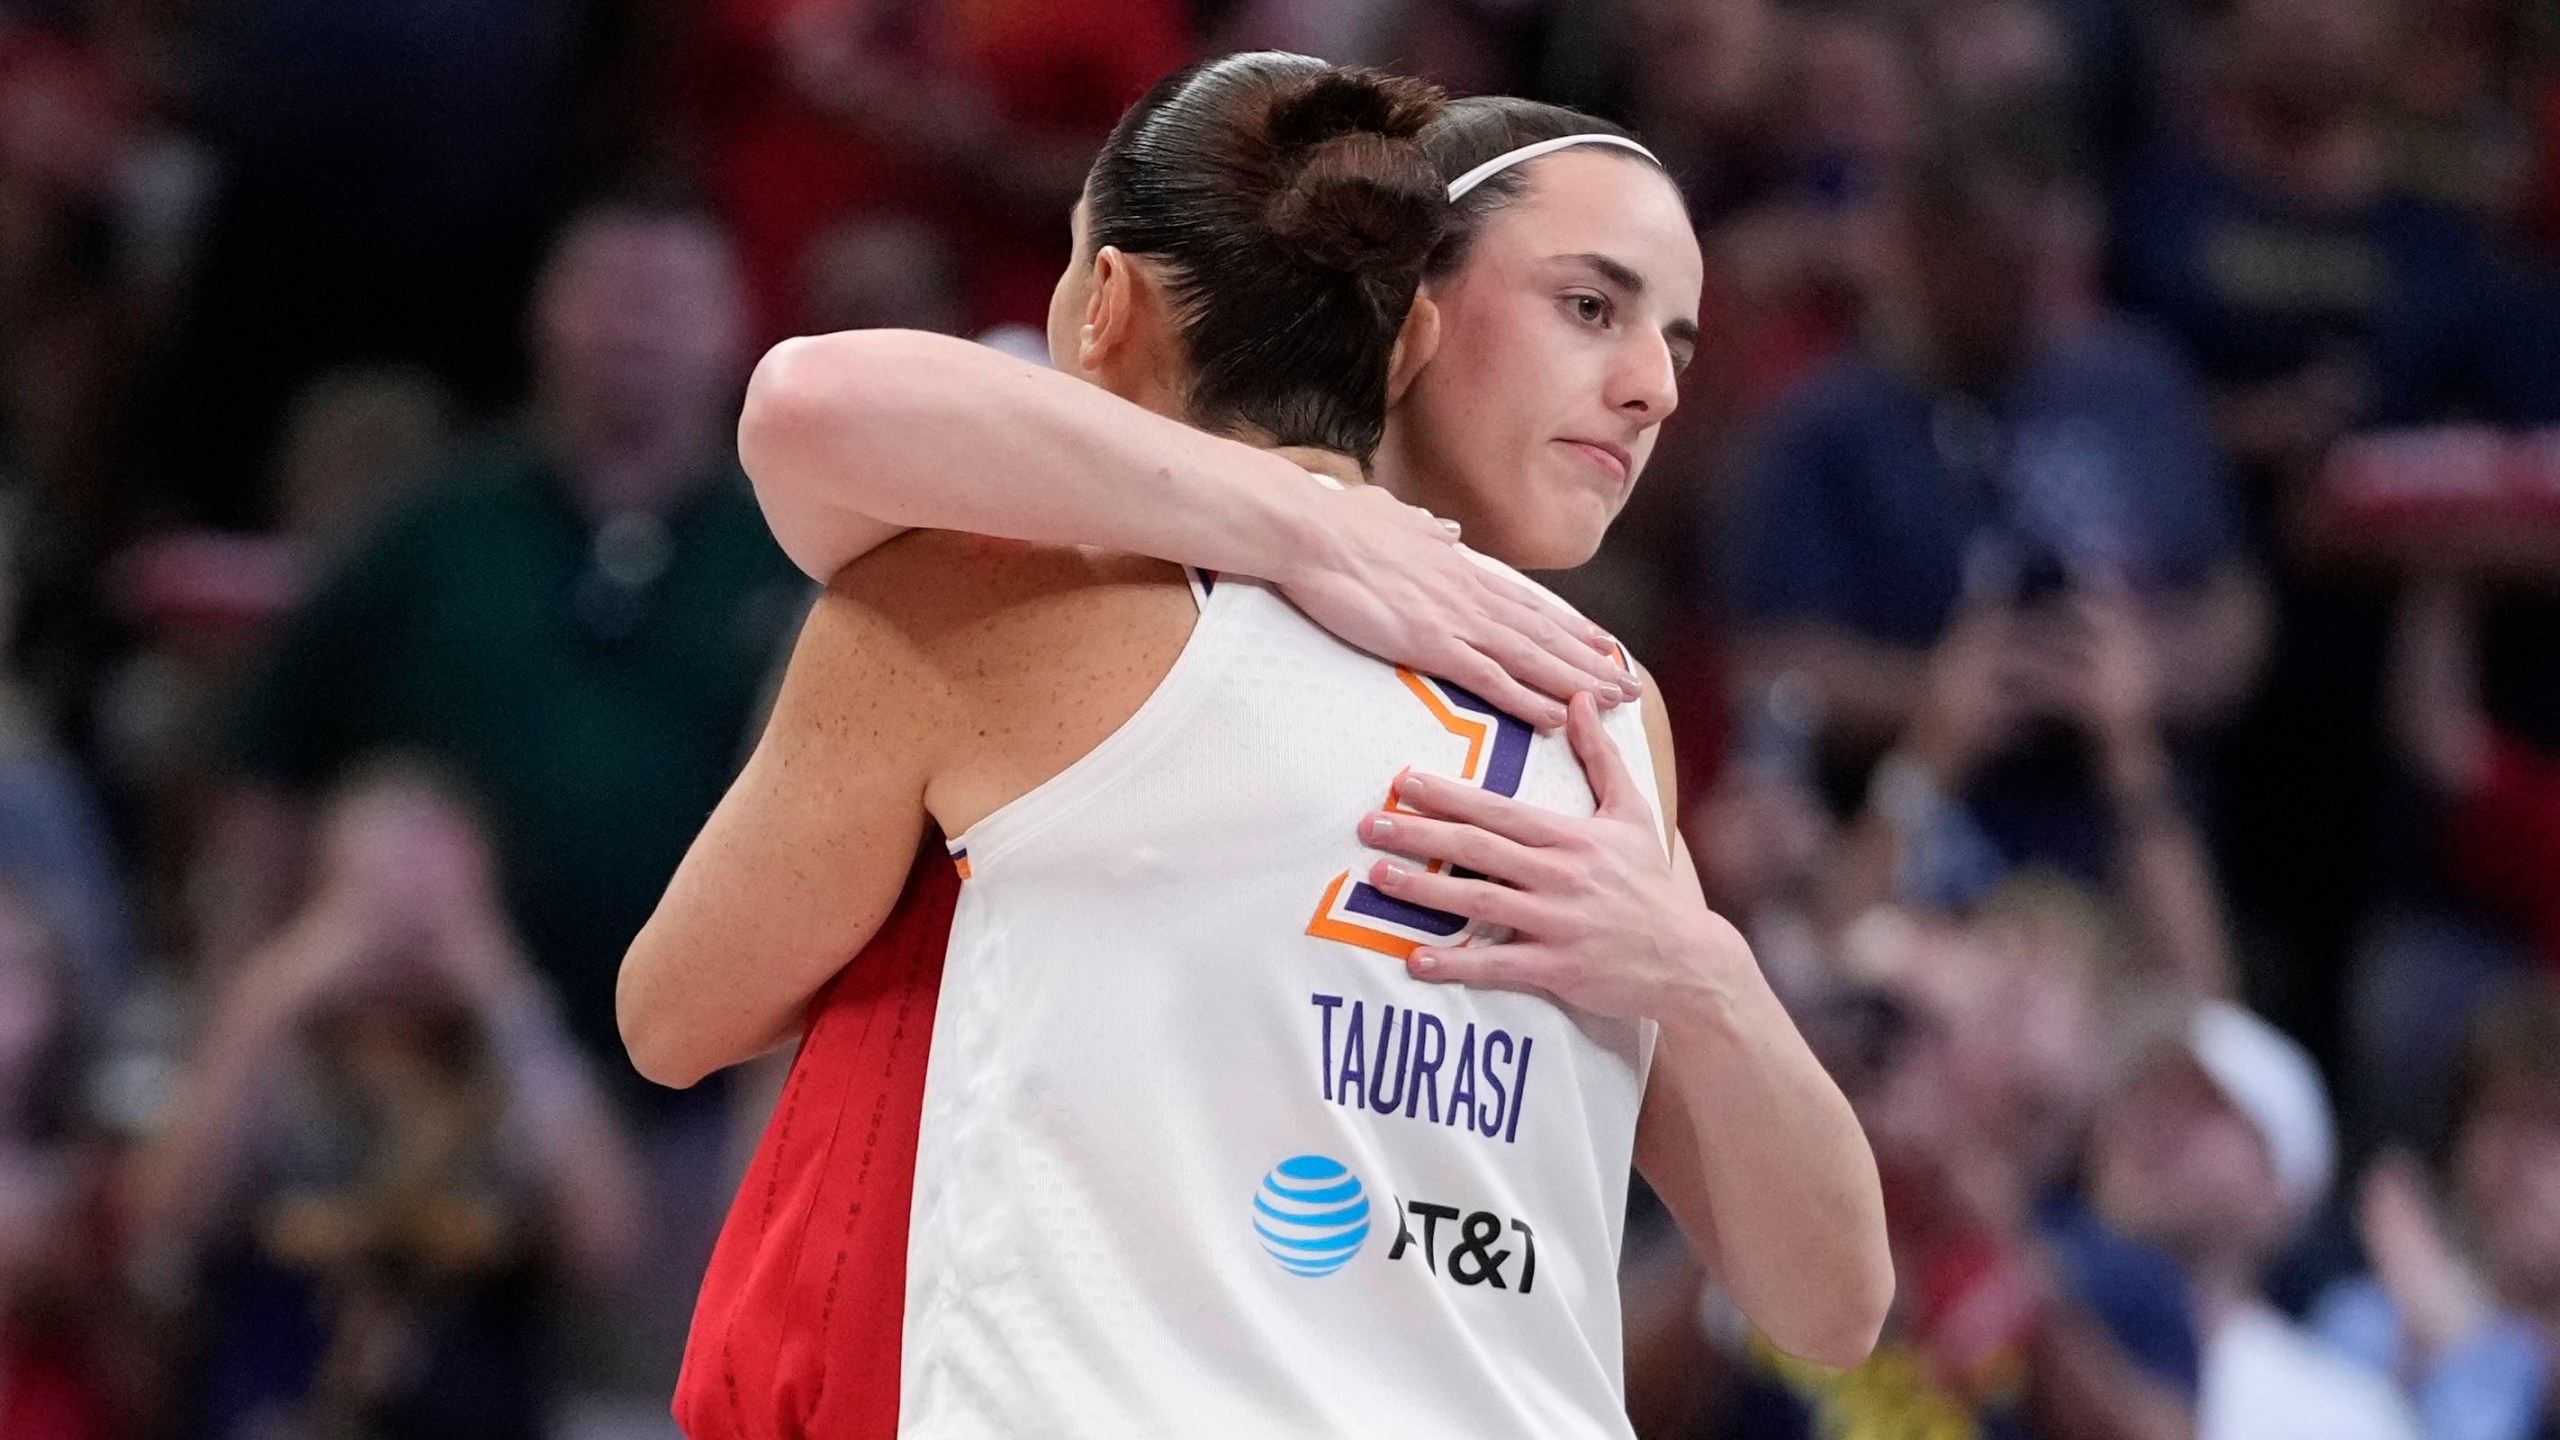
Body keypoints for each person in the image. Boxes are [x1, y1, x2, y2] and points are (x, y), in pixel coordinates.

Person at [620, 54, 1889, 1438]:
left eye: (1676, 345)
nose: (1650, 388)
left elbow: (671, 1018)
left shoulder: (991, 600)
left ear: (1101, 301)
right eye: (1588, 306)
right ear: (1412, 324)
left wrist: (1704, 976)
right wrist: (1293, 518)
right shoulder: (1604, 707)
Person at [125, 763, 645, 1440]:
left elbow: (607, 1245)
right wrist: (265, 1004)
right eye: (375, 895)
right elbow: (164, 1220)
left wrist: (509, 999)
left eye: (438, 900)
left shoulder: (516, 1072)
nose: (406, 928)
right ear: (320, 897)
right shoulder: (276, 1057)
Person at [2089, 998, 2423, 1440]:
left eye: (2206, 1104)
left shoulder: (2340, 1414)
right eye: (2144, 1089)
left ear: (2286, 1185)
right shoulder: (2009, 1294)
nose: (2157, 1117)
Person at [2315, 985, 2560, 1440]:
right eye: (2504, 1118)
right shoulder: (2368, 1319)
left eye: (2553, 1128)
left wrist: (2468, 1346)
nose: (2525, 1158)